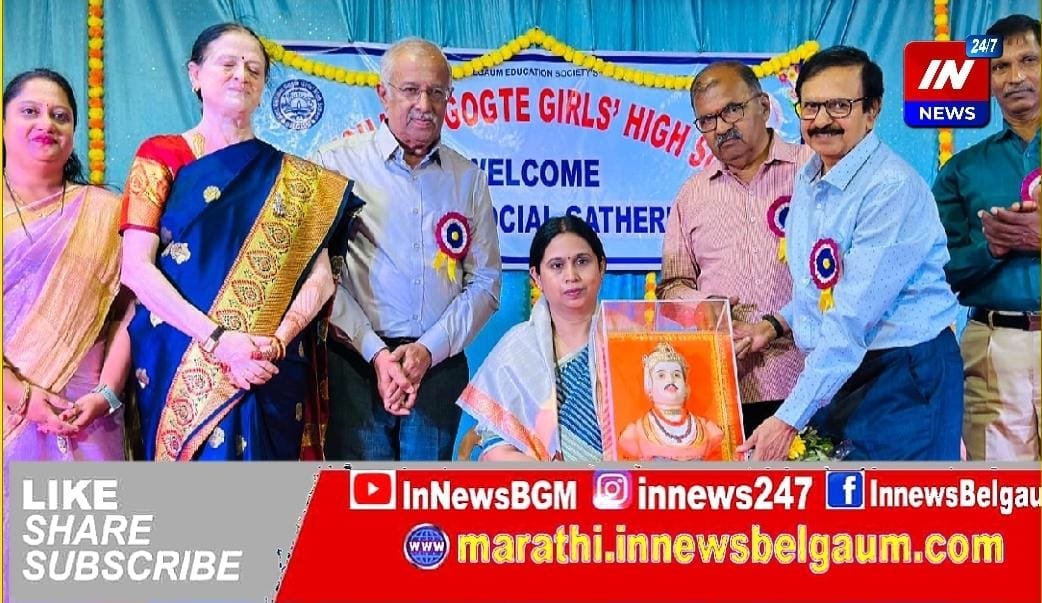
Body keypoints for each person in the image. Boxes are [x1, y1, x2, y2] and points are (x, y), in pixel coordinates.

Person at [120, 23, 361, 461]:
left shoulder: (297, 180)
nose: (241, 75)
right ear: (195, 74)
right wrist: (219, 341)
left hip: (268, 363)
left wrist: (277, 341)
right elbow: (135, 268)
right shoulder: (162, 156)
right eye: (227, 63)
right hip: (181, 357)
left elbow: (321, 278)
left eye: (254, 68)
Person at [734, 46, 963, 461]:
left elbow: (853, 317)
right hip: (844, 372)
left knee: (900, 500)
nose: (822, 120)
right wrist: (775, 324)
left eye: (839, 106)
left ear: (872, 111)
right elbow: (826, 285)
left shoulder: (888, 187)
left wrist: (787, 420)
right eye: (811, 107)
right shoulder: (811, 175)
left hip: (903, 373)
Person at [313, 37, 501, 461]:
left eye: (436, 92)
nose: (424, 104)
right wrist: (376, 353)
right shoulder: (335, 165)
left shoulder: (468, 179)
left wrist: (427, 350)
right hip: (354, 365)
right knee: (360, 496)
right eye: (411, 90)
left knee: (426, 498)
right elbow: (319, 276)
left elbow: (486, 282)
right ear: (383, 93)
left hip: (437, 369)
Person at [659, 61, 812, 437]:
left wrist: (775, 325)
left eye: (732, 110)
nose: (721, 127)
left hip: (811, 385)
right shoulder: (692, 195)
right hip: (725, 392)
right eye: (707, 120)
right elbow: (672, 287)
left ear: (763, 105)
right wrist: (710, 308)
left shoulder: (812, 170)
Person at [3, 68, 131, 461]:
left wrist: (107, 393)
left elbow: (130, 311)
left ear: (73, 133)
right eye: (30, 111)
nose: (46, 123)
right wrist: (20, 395)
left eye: (60, 116)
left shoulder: (106, 212)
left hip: (86, 415)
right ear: (4, 124)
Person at [932, 14, 1041, 461]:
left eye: (1029, 60)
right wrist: (993, 248)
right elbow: (938, 269)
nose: (1015, 77)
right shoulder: (961, 170)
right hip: (995, 348)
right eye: (1000, 66)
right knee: (1000, 493)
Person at [458, 216, 604, 461]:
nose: (571, 276)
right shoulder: (517, 348)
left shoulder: (628, 340)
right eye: (557, 265)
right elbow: (496, 447)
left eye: (582, 261)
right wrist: (558, 477)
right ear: (536, 277)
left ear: (601, 266)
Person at [618, 342, 723, 460]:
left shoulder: (710, 430)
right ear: (649, 387)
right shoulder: (633, 434)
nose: (671, 380)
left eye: (677, 375)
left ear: (686, 387)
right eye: (661, 375)